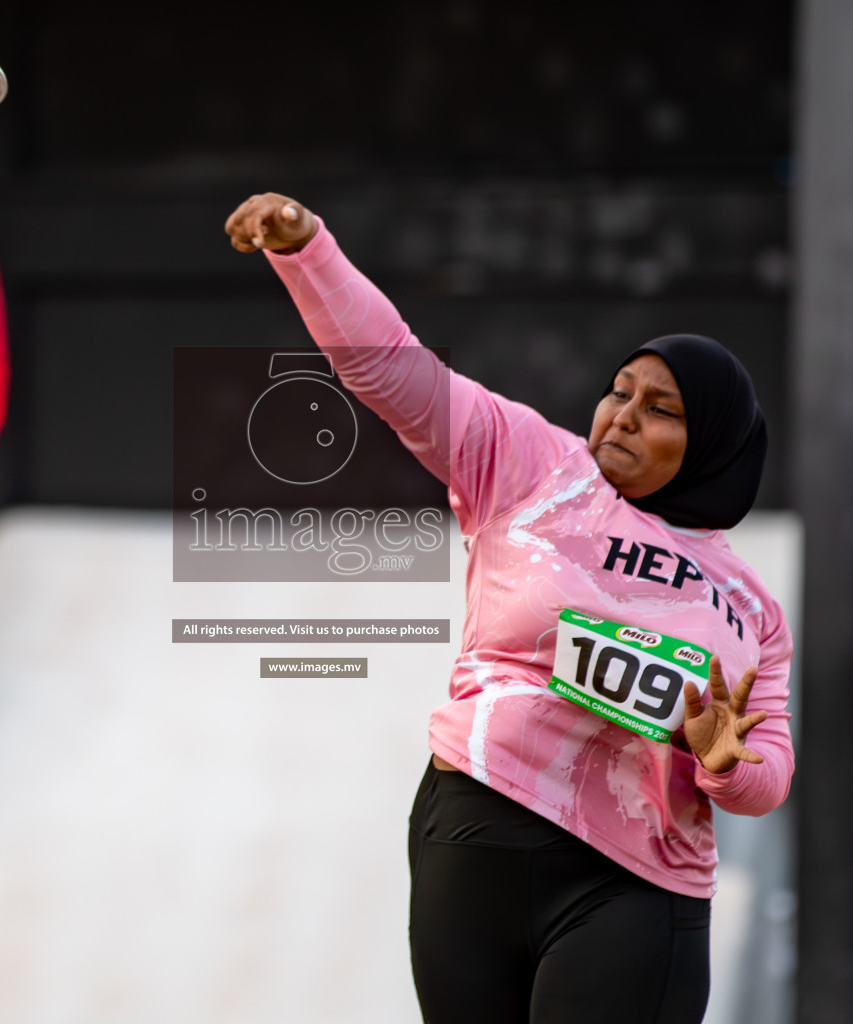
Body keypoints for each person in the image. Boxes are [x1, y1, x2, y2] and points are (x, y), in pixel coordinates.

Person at [224, 194, 793, 1024]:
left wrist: (723, 760)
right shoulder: (532, 465)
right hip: (475, 834)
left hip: (632, 884)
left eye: (660, 409)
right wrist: (308, 251)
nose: (622, 417)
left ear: (712, 441)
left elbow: (766, 775)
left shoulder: (753, 608)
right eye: (618, 392)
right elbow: (393, 368)